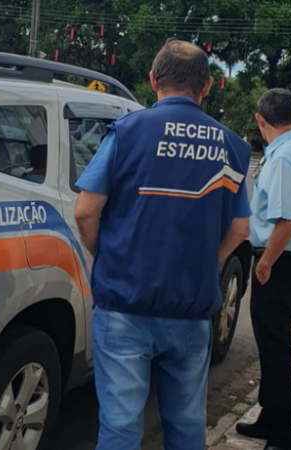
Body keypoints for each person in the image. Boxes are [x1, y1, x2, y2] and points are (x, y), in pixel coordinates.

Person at [73, 39, 252, 450]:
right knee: (187, 424)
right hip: (192, 308)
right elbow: (241, 229)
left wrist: (108, 254)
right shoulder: (231, 147)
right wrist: (207, 262)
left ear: (154, 80)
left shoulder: (128, 132)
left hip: (125, 303)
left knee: (121, 426)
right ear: (207, 86)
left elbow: (85, 211)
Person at [235, 88, 291, 450]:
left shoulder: (285, 157)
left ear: (260, 120)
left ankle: (285, 434)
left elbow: (288, 220)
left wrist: (265, 262)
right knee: (274, 345)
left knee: (275, 351)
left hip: (279, 262)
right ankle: (270, 417)